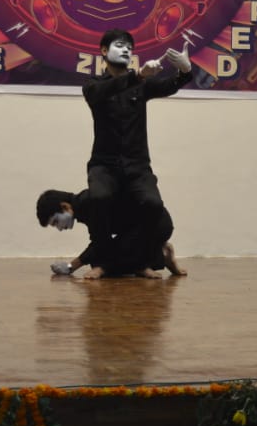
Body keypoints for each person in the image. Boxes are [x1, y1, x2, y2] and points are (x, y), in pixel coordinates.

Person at [83, 29, 191, 244]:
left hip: (137, 166)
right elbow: (103, 91)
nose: (126, 50)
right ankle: (100, 255)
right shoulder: (94, 85)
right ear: (103, 51)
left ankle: (130, 255)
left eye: (129, 48)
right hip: (104, 165)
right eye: (119, 45)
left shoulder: (142, 85)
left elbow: (169, 85)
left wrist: (185, 70)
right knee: (98, 199)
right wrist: (138, 75)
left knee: (153, 205)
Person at [36, 188, 185, 279]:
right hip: (139, 230)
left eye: (56, 222)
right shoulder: (84, 204)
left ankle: (161, 255)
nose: (59, 228)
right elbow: (100, 240)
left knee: (104, 261)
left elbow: (100, 243)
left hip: (158, 226)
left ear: (65, 207)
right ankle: (149, 261)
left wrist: (70, 267)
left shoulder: (90, 203)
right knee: (99, 258)